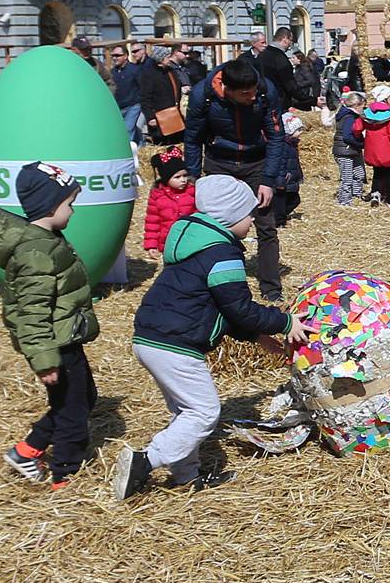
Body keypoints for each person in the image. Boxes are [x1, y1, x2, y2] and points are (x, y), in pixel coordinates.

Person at [115, 175, 304, 499]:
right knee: (204, 413)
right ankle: (146, 461)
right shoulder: (223, 254)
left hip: (151, 338)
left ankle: (187, 476)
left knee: (186, 411)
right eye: (248, 216)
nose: (251, 224)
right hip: (176, 344)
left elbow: (215, 306)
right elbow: (239, 307)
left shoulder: (196, 245)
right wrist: (284, 322)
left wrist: (256, 336)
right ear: (230, 217)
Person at [0, 162, 99, 490]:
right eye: (69, 204)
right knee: (73, 408)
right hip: (54, 345)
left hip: (64, 336)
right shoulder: (36, 253)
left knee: (82, 398)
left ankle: (27, 450)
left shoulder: (47, 240)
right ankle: (65, 475)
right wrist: (44, 359)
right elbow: (32, 312)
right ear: (50, 206)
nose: (73, 211)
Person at [183, 54, 289, 300]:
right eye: (245, 94)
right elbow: (192, 137)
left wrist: (268, 180)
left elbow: (275, 136)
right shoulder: (203, 95)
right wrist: (193, 175)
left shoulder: (265, 91)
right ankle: (220, 284)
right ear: (226, 89)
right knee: (217, 226)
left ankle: (271, 289)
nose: (252, 97)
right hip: (219, 160)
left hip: (256, 161)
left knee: (265, 225)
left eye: (254, 92)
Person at [359, 85, 390, 205]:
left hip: (372, 149)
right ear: (385, 99)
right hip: (387, 150)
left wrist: (360, 138)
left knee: (377, 172)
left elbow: (357, 127)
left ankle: (375, 194)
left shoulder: (367, 113)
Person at [142, 148, 196, 257]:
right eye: (177, 177)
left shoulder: (192, 192)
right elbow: (152, 222)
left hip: (191, 241)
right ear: (167, 179)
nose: (183, 180)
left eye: (185, 175)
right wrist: (151, 245)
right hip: (168, 243)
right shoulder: (157, 196)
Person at [137, 44, 189, 147]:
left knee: (177, 145)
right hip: (159, 118)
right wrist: (150, 117)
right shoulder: (148, 74)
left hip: (174, 116)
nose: (170, 59)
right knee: (162, 146)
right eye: (167, 57)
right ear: (160, 59)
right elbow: (145, 98)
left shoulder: (171, 71)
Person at [332, 89, 368, 205]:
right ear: (357, 105)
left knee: (359, 174)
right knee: (347, 178)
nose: (364, 108)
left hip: (353, 150)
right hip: (345, 151)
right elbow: (347, 137)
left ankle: (356, 195)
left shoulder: (351, 115)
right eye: (363, 106)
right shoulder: (349, 117)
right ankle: (345, 201)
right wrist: (361, 144)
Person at [273, 112, 305, 225]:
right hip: (284, 179)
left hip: (291, 178)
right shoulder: (283, 146)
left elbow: (294, 162)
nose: (301, 132)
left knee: (295, 200)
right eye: (298, 129)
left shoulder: (292, 144)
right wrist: (280, 179)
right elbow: (281, 163)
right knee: (281, 202)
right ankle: (278, 221)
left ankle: (278, 216)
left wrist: (299, 176)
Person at [110, 43, 143, 143]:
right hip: (118, 108)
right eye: (113, 56)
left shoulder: (135, 70)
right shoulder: (112, 72)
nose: (115, 58)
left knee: (127, 131)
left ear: (125, 56)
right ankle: (140, 147)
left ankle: (128, 155)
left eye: (118, 55)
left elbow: (143, 87)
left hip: (133, 106)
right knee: (126, 131)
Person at [256, 27, 297, 105]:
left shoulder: (261, 54)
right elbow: (289, 84)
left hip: (262, 99)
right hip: (278, 100)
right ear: (285, 39)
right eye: (290, 40)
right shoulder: (280, 58)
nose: (290, 44)